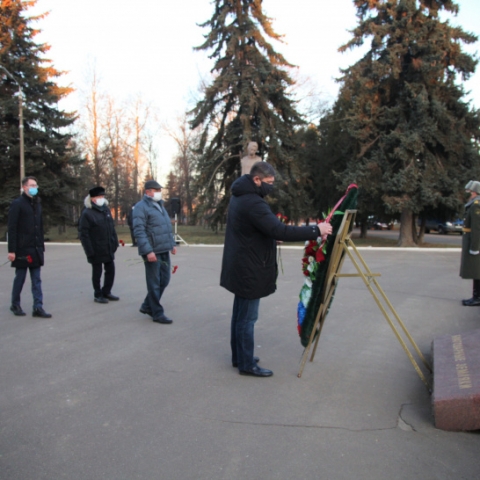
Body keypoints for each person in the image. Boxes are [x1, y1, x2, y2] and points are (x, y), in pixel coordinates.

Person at [220, 162, 332, 377]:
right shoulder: (253, 202)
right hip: (249, 268)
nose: (271, 188)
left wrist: (271, 235)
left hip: (241, 264)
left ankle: (240, 357)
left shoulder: (240, 196)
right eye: (269, 183)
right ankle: (246, 364)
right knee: (247, 318)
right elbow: (280, 229)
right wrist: (316, 229)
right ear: (256, 180)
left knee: (240, 314)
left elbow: (256, 229)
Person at [133, 180, 177, 324]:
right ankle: (157, 312)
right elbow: (139, 231)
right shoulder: (141, 207)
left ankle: (147, 305)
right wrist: (148, 251)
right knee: (154, 282)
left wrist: (172, 244)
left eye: (159, 190)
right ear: (148, 192)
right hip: (152, 251)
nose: (159, 192)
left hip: (164, 248)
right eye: (156, 190)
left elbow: (165, 227)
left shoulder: (160, 205)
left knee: (164, 280)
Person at [7, 176, 52, 318]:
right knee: (20, 278)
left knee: (37, 279)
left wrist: (41, 246)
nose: (35, 187)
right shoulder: (17, 204)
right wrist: (12, 250)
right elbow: (12, 228)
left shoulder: (37, 203)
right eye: (32, 185)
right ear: (24, 187)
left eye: (36, 185)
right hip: (22, 249)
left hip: (36, 248)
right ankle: (15, 304)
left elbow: (40, 226)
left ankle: (38, 307)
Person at [79, 186, 119, 304]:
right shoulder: (87, 213)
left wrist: (114, 242)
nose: (101, 199)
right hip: (95, 248)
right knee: (97, 272)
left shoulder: (106, 210)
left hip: (108, 246)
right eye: (99, 197)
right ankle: (98, 294)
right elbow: (83, 234)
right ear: (92, 199)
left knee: (110, 270)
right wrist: (89, 251)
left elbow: (111, 228)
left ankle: (107, 291)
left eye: (102, 196)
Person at [460, 180, 480, 306]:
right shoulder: (473, 204)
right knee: (476, 270)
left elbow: (477, 228)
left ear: (474, 192)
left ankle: (477, 297)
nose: (468, 194)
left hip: (475, 242)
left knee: (476, 271)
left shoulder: (476, 205)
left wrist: (475, 247)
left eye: (469, 191)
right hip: (472, 240)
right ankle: (476, 296)